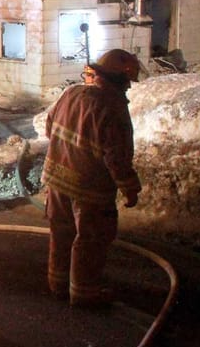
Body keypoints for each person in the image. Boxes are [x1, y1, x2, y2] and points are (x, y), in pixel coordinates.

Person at [42, 48, 143, 307]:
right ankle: (84, 295)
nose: (129, 87)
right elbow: (116, 156)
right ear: (120, 79)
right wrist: (130, 187)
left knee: (61, 233)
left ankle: (58, 285)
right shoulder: (113, 107)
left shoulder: (71, 93)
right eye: (128, 82)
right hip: (89, 189)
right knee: (90, 241)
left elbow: (49, 127)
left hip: (56, 180)